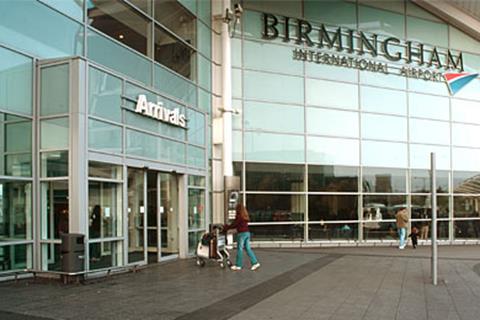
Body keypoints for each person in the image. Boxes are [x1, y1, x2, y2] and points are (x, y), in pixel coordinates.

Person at [224, 203, 260, 271]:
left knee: (240, 249)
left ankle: (238, 265)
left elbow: (234, 224)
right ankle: (255, 262)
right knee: (248, 248)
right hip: (247, 233)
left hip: (242, 234)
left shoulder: (239, 216)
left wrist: (226, 227)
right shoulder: (245, 216)